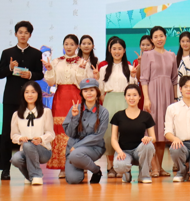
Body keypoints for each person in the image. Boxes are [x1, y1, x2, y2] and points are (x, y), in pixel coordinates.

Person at [0, 21, 45, 180]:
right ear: (16, 34)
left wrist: (30, 75)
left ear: (30, 35)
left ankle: (31, 169)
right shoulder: (7, 53)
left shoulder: (36, 53)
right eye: (20, 32)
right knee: (7, 133)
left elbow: (40, 74)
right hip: (11, 98)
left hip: (30, 100)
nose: (23, 35)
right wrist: (10, 68)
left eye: (26, 32)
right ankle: (5, 169)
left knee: (31, 132)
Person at [43, 34, 92, 178]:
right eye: (66, 44)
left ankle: (80, 164)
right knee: (60, 130)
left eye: (72, 44)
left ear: (77, 46)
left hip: (77, 98)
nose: (69, 47)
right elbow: (51, 82)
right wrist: (49, 69)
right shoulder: (56, 61)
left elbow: (84, 84)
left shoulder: (83, 62)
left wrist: (81, 69)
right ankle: (63, 167)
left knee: (78, 130)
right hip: (60, 98)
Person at [139, 26, 178, 177]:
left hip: (168, 95)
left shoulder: (172, 55)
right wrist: (146, 98)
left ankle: (160, 167)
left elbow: (174, 79)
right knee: (152, 131)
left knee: (163, 133)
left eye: (161, 36)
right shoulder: (147, 55)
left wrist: (175, 99)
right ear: (151, 39)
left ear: (166, 37)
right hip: (153, 95)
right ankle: (154, 167)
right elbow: (144, 79)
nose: (159, 39)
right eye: (155, 37)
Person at [63, 78, 110, 184]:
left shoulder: (103, 112)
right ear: (81, 93)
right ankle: (89, 166)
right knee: (73, 179)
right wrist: (75, 118)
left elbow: (98, 136)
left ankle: (95, 170)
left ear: (97, 92)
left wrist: (77, 146)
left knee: (75, 154)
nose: (89, 93)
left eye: (92, 90)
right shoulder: (75, 109)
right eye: (85, 91)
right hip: (74, 149)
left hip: (93, 147)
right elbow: (70, 133)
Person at [99, 37, 133, 178]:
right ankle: (110, 167)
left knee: (124, 133)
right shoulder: (103, 69)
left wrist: (134, 76)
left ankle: (124, 165)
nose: (117, 51)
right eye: (114, 49)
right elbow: (100, 90)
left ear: (124, 50)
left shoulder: (130, 69)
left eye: (120, 49)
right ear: (110, 50)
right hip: (109, 101)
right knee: (108, 134)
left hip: (125, 102)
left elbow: (133, 89)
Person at [10, 81, 55, 185]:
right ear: (23, 94)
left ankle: (37, 176)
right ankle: (31, 177)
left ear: (38, 94)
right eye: (27, 92)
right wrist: (20, 138)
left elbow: (51, 134)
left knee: (28, 145)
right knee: (16, 159)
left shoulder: (46, 111)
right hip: (25, 150)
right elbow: (13, 135)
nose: (30, 95)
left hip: (43, 150)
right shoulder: (16, 114)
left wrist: (41, 139)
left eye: (33, 92)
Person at [111, 84, 156, 184]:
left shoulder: (146, 116)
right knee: (119, 166)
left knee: (148, 145)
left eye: (135, 95)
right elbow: (113, 138)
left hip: (139, 151)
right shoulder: (118, 115)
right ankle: (126, 174)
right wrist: (119, 152)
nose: (131, 98)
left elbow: (153, 138)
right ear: (125, 97)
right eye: (129, 95)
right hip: (124, 151)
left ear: (140, 97)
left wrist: (149, 139)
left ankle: (144, 175)